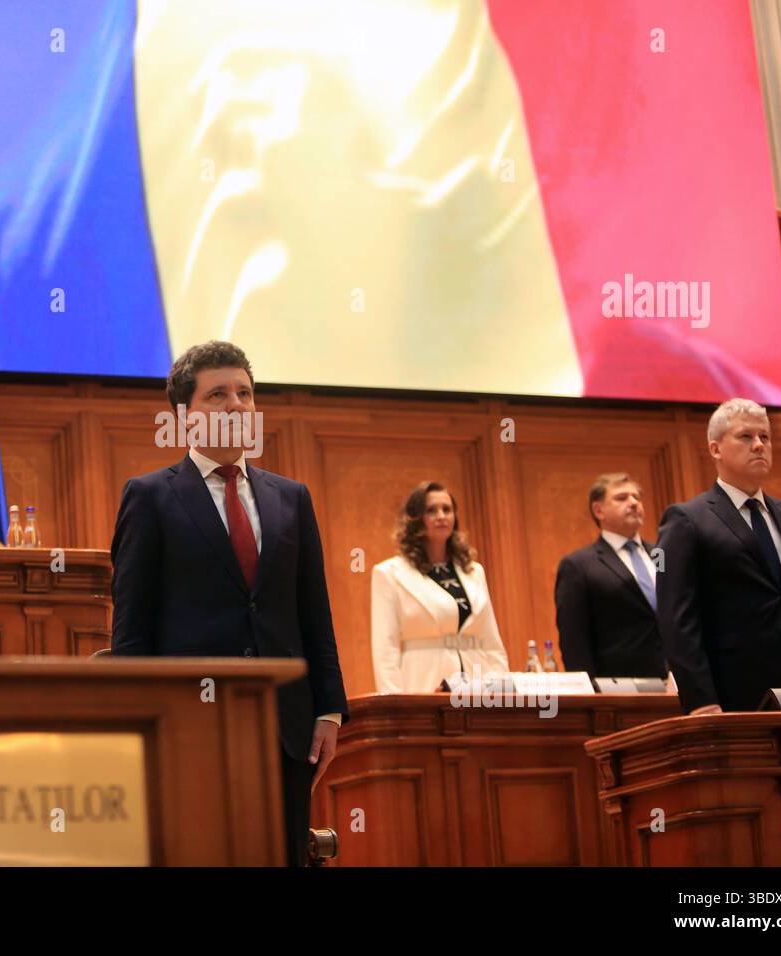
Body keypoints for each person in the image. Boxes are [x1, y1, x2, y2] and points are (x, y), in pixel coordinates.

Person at [110, 340, 348, 867]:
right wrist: (136, 726)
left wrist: (329, 709)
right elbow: (131, 630)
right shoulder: (149, 497)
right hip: (190, 728)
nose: (237, 406)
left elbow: (314, 613)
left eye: (245, 393)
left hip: (286, 729)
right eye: (218, 395)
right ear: (184, 417)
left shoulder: (292, 498)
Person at [656, 399, 781, 713]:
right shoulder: (687, 520)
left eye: (765, 437)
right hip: (732, 695)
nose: (759, 445)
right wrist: (702, 701)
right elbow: (678, 620)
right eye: (746, 437)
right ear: (716, 449)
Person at [371, 481, 508, 694]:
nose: (442, 516)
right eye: (431, 510)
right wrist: (395, 707)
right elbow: (385, 651)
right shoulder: (389, 574)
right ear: (416, 519)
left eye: (447, 509)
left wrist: (502, 690)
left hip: (479, 685)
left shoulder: (473, 571)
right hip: (423, 683)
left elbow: (491, 641)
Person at [554, 473, 667, 677]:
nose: (633, 503)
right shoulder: (578, 565)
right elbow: (574, 640)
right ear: (599, 510)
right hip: (618, 688)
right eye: (622, 498)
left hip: (677, 682)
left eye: (637, 497)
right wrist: (590, 695)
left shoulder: (660, 554)